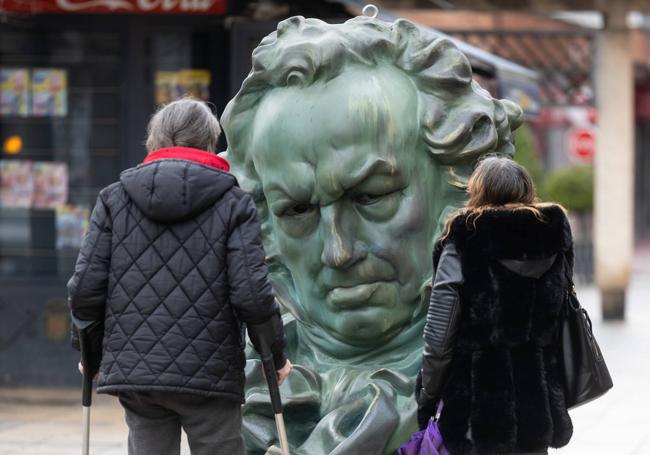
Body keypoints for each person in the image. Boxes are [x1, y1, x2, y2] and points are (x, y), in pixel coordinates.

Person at [221, 14, 522, 455]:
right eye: (298, 210)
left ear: (456, 185)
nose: (339, 251)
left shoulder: (489, 376)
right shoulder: (239, 385)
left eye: (371, 196)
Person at [67, 98, 292, 455]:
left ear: (155, 141)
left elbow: (85, 290)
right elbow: (251, 293)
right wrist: (274, 356)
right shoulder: (234, 203)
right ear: (209, 142)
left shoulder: (114, 199)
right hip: (211, 373)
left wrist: (89, 350)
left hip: (138, 373)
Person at [415, 155, 574, 455]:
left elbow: (439, 335)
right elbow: (562, 315)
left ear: (479, 192)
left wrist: (426, 395)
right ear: (527, 190)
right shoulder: (554, 238)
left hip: (475, 413)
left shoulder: (463, 239)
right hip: (535, 405)